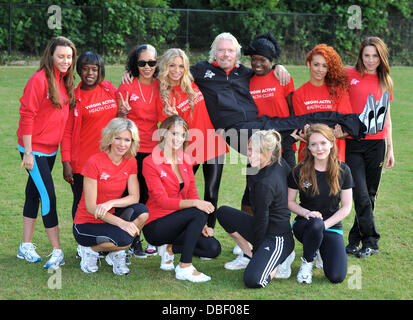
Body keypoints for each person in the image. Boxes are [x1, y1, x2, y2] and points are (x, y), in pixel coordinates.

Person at [189, 32, 374, 157]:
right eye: (221, 50)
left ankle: (360, 121)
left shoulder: (244, 72)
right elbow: (172, 71)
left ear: (236, 54)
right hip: (235, 131)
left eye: (230, 51)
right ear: (214, 52)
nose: (225, 55)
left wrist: (278, 66)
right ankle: (360, 123)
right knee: (282, 142)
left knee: (303, 121)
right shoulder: (201, 70)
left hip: (258, 123)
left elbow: (263, 67)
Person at [16, 36, 77, 269]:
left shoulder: (64, 80)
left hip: (50, 151)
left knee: (33, 194)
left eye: (69, 57)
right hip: (35, 150)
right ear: (50, 55)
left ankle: (25, 246)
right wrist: (29, 153)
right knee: (48, 197)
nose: (65, 61)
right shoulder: (39, 80)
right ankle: (57, 250)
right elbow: (27, 115)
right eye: (61, 56)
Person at [156, 48, 228, 239]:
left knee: (212, 191)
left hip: (212, 141)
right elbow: (167, 127)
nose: (177, 70)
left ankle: (208, 231)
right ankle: (178, 229)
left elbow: (223, 64)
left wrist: (277, 67)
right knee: (182, 191)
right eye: (172, 65)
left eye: (181, 66)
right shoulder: (163, 94)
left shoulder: (192, 81)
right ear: (165, 66)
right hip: (188, 148)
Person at [142, 115, 220, 283]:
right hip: (157, 225)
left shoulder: (185, 158)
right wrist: (196, 206)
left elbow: (192, 191)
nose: (178, 139)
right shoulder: (150, 162)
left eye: (182, 135)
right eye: (174, 133)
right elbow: (162, 200)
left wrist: (203, 225)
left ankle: (170, 249)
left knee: (213, 248)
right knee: (198, 211)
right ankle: (185, 267)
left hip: (180, 222)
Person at [216, 130, 295, 288]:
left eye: (258, 151)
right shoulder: (264, 164)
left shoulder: (266, 182)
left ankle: (280, 260)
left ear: (270, 152)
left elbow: (261, 218)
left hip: (277, 236)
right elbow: (255, 211)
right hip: (261, 225)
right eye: (250, 149)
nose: (251, 154)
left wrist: (259, 248)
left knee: (254, 280)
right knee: (223, 213)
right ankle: (249, 255)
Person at [73, 118, 149, 275]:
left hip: (110, 216)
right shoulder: (94, 162)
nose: (122, 144)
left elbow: (134, 197)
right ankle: (90, 251)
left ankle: (115, 253)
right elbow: (91, 207)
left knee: (142, 212)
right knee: (125, 239)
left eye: (127, 140)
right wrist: (122, 223)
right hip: (86, 223)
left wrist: (110, 203)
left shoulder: (130, 161)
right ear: (110, 138)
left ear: (132, 142)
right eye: (118, 138)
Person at [345, 37, 394, 258]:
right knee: (360, 194)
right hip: (353, 143)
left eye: (375, 56)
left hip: (377, 144)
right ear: (360, 55)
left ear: (381, 57)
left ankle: (355, 240)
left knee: (370, 195)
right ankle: (371, 241)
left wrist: (390, 148)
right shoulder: (349, 75)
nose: (371, 60)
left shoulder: (386, 80)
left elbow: (387, 117)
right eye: (367, 55)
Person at [288, 124, 353, 284]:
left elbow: (346, 206)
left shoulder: (343, 170)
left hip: (331, 226)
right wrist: (306, 213)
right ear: (308, 147)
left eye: (323, 143)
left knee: (336, 276)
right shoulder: (299, 170)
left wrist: (326, 225)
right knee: (316, 224)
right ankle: (307, 262)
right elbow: (289, 202)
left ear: (332, 143)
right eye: (314, 144)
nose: (319, 148)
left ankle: (319, 248)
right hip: (305, 224)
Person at [61, 51, 117, 219]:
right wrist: (66, 162)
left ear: (100, 70)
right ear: (79, 70)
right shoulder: (74, 97)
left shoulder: (108, 89)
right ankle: (81, 242)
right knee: (81, 202)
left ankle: (103, 240)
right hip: (83, 163)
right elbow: (66, 132)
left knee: (107, 202)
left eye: (94, 69)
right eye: (85, 69)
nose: (90, 73)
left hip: (109, 159)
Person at [117, 44, 160, 257]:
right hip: (131, 150)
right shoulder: (127, 85)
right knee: (131, 196)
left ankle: (145, 237)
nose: (147, 66)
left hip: (153, 152)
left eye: (151, 62)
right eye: (142, 62)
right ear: (135, 63)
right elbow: (116, 121)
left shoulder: (161, 86)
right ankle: (130, 240)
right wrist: (121, 111)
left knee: (149, 196)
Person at [292, 44, 352, 162]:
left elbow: (347, 124)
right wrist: (329, 131)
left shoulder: (338, 91)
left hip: (334, 157)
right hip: (308, 158)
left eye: (324, 66)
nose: (320, 69)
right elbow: (304, 128)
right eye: (316, 65)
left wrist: (342, 133)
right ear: (309, 64)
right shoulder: (299, 94)